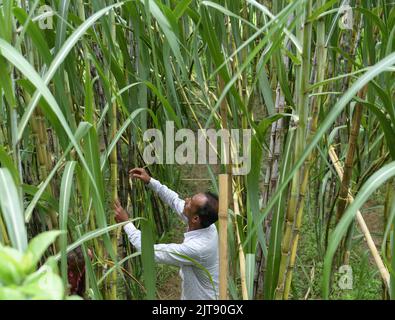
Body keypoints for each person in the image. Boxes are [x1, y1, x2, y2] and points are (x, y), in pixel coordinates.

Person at [114, 167, 219, 300]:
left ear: (195, 218)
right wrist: (150, 181)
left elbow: (149, 251)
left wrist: (127, 223)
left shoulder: (197, 248)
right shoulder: (206, 225)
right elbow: (175, 201)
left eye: (190, 203)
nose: (186, 200)